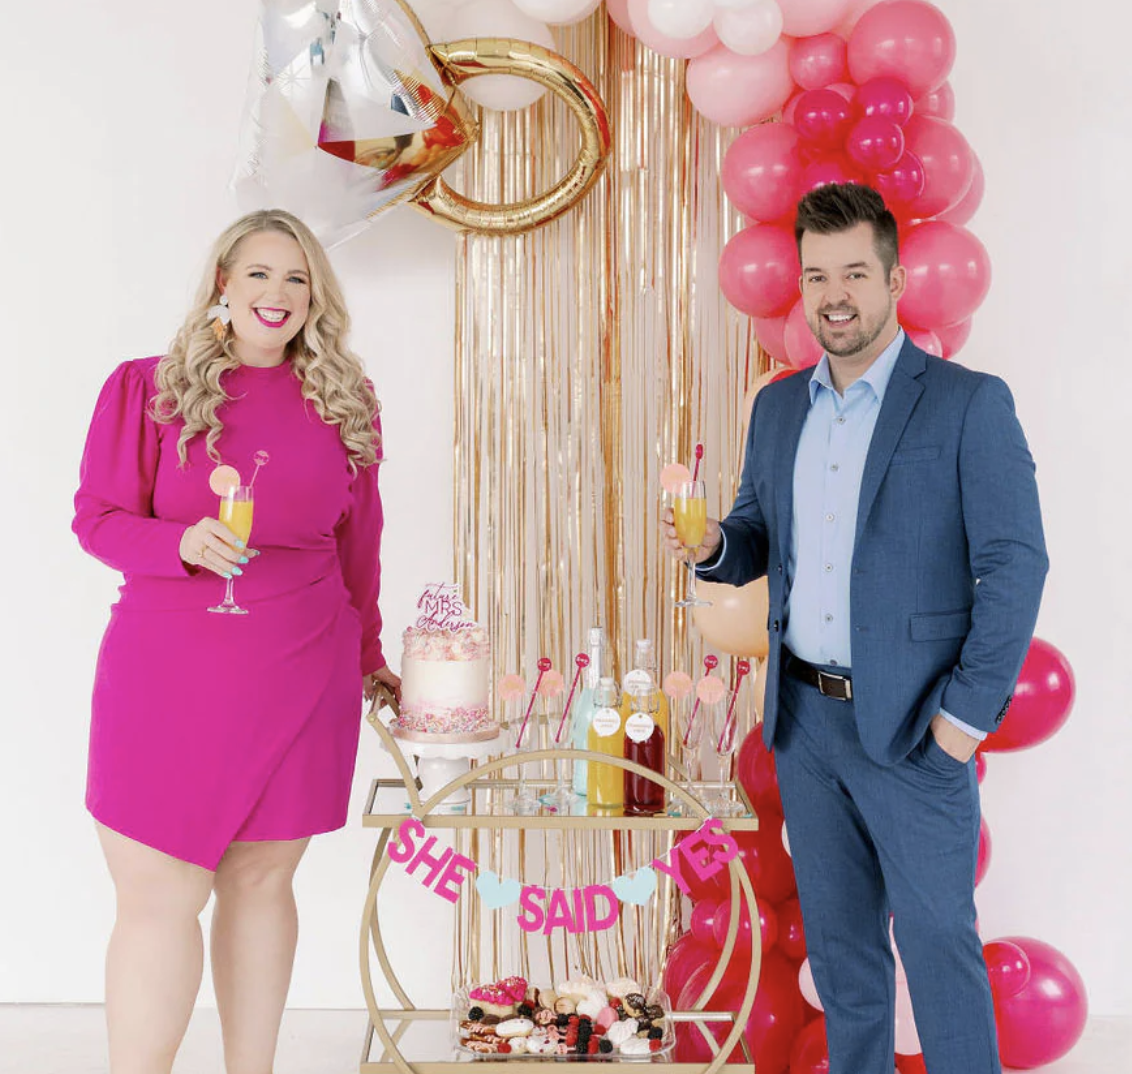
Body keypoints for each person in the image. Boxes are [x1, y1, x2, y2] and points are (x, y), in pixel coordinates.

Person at [662, 183, 1047, 1074]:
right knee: (844, 964)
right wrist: (714, 545)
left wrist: (961, 724)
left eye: (854, 274)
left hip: (916, 729)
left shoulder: (967, 404)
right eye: (816, 276)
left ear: (895, 280)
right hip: (806, 726)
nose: (833, 295)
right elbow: (758, 533)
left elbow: (1016, 564)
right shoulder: (779, 408)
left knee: (940, 950)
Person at [73, 209, 401, 1074]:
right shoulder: (147, 388)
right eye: (259, 273)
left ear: (316, 296)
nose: (278, 293)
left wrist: (369, 658)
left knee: (260, 884)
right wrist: (178, 543)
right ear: (223, 282)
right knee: (161, 893)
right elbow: (96, 517)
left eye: (297, 278)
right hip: (168, 674)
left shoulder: (345, 399)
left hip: (304, 667)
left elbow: (359, 546)